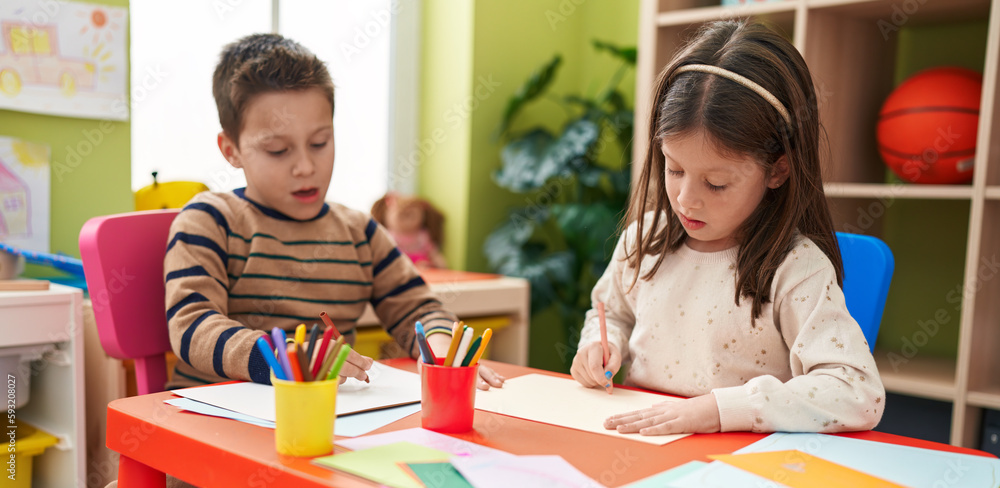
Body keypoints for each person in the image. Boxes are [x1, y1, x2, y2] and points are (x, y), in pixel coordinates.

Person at [571, 20, 884, 435]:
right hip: (643, 444)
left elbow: (858, 393)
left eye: (716, 183)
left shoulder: (796, 268)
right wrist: (599, 345)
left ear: (777, 171)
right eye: (675, 168)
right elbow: (611, 313)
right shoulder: (645, 240)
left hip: (739, 461)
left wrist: (718, 410)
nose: (685, 199)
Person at [163, 33, 503, 390]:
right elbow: (192, 327)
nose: (306, 167)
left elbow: (418, 308)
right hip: (216, 419)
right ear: (231, 150)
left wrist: (439, 348)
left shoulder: (358, 231)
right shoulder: (209, 220)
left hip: (328, 421)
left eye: (319, 143)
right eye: (278, 150)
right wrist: (285, 361)